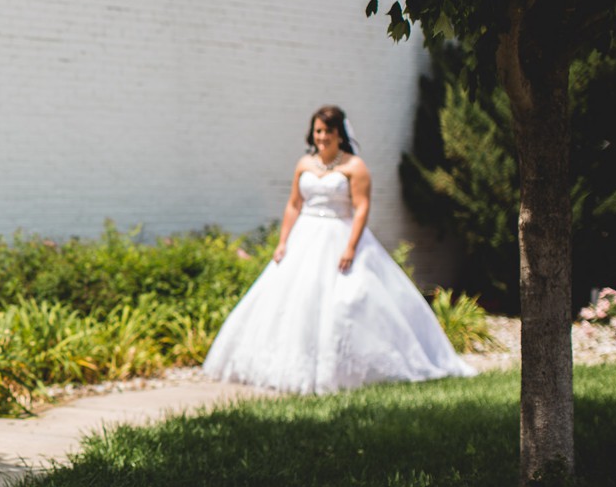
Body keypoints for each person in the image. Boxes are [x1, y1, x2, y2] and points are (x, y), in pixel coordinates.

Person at [202, 105, 474, 394]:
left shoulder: (354, 167)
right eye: (318, 131)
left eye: (328, 132)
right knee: (294, 300)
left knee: (347, 301)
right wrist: (283, 241)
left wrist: (350, 247)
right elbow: (294, 204)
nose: (322, 137)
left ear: (340, 135)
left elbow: (361, 208)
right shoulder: (304, 164)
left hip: (340, 235)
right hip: (304, 237)